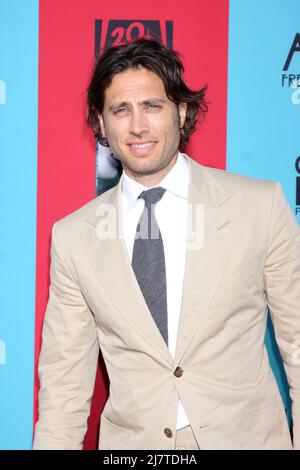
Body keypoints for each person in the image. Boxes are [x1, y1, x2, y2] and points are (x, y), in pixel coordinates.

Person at [33, 38, 300, 450]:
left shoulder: (258, 206)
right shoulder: (73, 238)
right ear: (101, 124)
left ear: (181, 111)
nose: (137, 126)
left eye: (152, 107)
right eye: (120, 110)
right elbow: (63, 389)